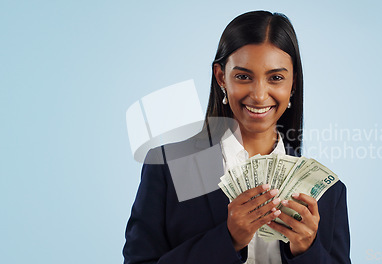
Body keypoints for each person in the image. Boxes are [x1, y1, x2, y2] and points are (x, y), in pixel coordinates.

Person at [123, 10, 351, 264]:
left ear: (293, 83)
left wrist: (307, 250)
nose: (259, 95)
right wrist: (227, 239)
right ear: (221, 77)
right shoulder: (169, 167)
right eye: (243, 77)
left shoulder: (329, 193)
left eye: (276, 78)